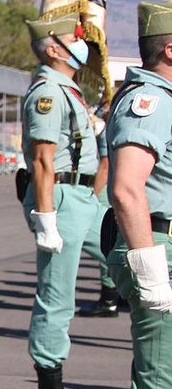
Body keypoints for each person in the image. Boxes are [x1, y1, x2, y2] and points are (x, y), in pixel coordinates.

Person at [105, 1, 172, 389]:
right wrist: (149, 268)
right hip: (161, 248)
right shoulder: (150, 101)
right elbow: (128, 188)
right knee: (159, 377)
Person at [18, 16, 107, 389]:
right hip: (62, 199)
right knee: (58, 296)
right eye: (72, 37)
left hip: (84, 196)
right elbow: (41, 159)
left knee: (131, 250)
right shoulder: (47, 92)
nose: (80, 41)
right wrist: (47, 218)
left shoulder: (69, 89)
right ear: (53, 49)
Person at [76, 99, 122, 317]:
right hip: (113, 188)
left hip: (105, 191)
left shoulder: (109, 128)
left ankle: (109, 298)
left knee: (105, 243)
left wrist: (90, 194)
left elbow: (104, 167)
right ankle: (116, 294)